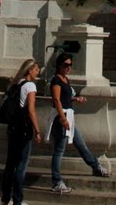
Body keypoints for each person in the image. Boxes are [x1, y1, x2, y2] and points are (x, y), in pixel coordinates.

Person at [47, 52, 110, 193]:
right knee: (59, 150)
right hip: (61, 117)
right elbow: (56, 100)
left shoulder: (65, 79)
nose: (68, 67)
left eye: (70, 65)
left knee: (80, 144)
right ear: (59, 65)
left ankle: (95, 166)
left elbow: (65, 97)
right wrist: (63, 119)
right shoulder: (56, 80)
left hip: (69, 116)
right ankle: (56, 182)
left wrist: (77, 99)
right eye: (66, 65)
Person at [0, 58, 42, 205]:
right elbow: (31, 110)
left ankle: (6, 199)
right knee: (22, 165)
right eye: (36, 69)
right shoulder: (30, 85)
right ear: (29, 70)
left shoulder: (16, 84)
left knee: (10, 164)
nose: (38, 72)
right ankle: (18, 201)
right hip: (24, 129)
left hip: (12, 127)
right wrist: (37, 130)